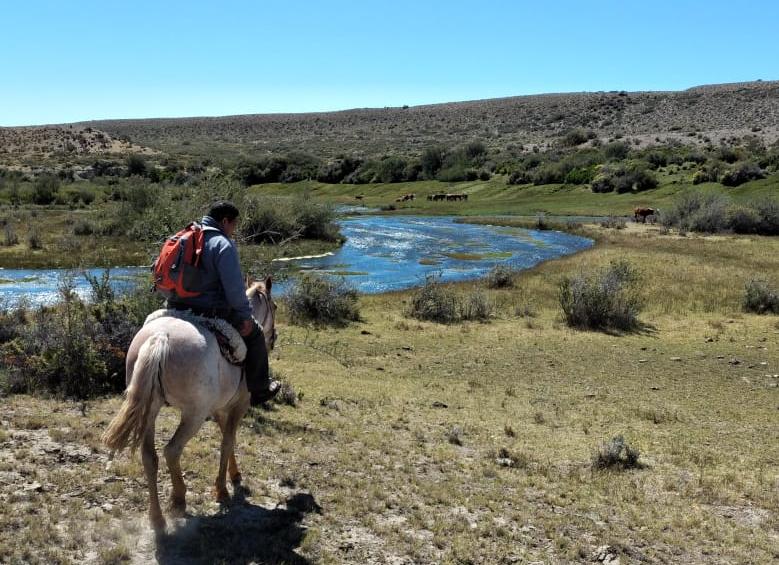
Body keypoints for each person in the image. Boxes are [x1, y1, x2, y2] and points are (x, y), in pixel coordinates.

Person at [167, 200, 279, 405]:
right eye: (234, 225)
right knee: (255, 335)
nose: (233, 230)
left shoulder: (183, 237)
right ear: (225, 221)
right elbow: (235, 290)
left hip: (175, 306)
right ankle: (260, 390)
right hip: (209, 310)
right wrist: (245, 316)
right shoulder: (222, 244)